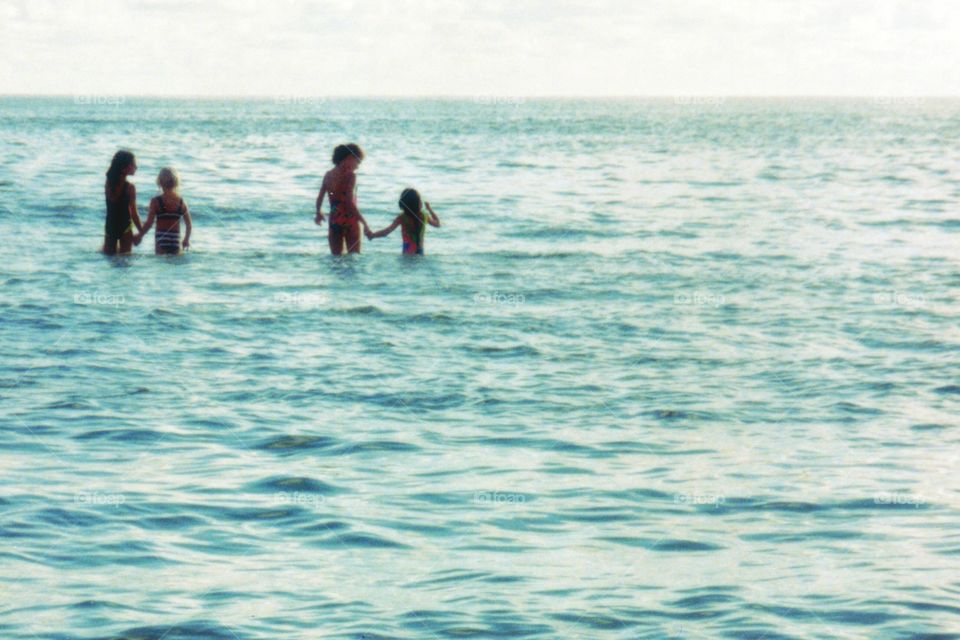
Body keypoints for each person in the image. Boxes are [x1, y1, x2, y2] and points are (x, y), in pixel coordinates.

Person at [315, 143, 371, 255]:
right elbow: (349, 202)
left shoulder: (328, 175)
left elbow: (320, 198)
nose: (357, 166)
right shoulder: (350, 176)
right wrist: (364, 223)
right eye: (358, 162)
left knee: (336, 258)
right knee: (354, 257)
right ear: (349, 158)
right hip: (350, 221)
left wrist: (318, 213)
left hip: (334, 221)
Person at [135, 167, 192, 255]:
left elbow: (149, 223)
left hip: (161, 240)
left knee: (160, 262)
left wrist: (140, 235)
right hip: (175, 240)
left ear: (160, 182)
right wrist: (186, 239)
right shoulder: (181, 201)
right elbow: (189, 224)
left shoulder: (156, 201)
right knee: (175, 262)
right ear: (176, 182)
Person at [366, 188, 440, 255]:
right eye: (419, 200)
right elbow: (437, 224)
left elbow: (387, 232)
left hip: (407, 254)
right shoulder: (424, 216)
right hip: (420, 254)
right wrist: (429, 209)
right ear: (417, 203)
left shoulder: (402, 217)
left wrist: (373, 235)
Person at [103, 150, 143, 255]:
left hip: (110, 226)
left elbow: (112, 201)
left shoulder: (108, 184)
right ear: (124, 167)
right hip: (125, 227)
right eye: (133, 164)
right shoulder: (130, 188)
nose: (136, 167)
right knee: (125, 259)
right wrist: (142, 232)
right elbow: (134, 214)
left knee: (109, 258)